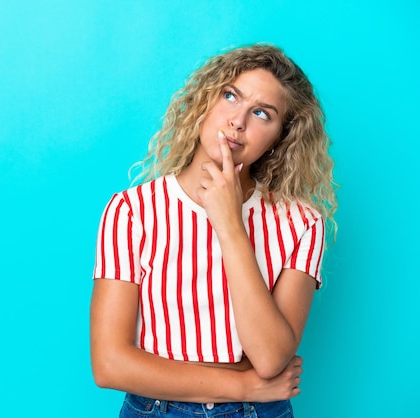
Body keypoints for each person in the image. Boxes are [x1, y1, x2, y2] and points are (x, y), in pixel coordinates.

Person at [90, 43, 337, 418]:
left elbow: (270, 358)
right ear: (204, 101)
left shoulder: (301, 223)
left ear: (279, 139)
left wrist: (229, 223)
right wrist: (240, 383)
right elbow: (110, 364)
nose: (238, 121)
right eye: (230, 96)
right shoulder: (132, 211)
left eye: (261, 113)